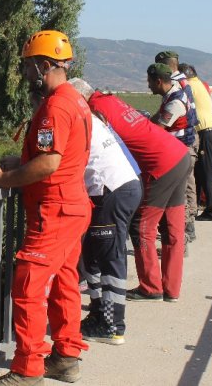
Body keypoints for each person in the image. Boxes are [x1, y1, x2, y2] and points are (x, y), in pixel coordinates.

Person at [0, 30, 92, 386]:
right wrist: (20, 160)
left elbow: (48, 164)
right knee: (64, 283)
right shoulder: (75, 100)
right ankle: (65, 357)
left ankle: (28, 370)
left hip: (53, 209)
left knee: (28, 286)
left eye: (28, 67)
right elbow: (52, 155)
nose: (26, 75)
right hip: (73, 205)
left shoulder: (55, 106)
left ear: (43, 66)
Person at [87, 89, 190, 303]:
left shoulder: (93, 109)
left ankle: (150, 287)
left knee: (142, 227)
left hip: (161, 163)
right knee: (173, 229)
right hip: (179, 154)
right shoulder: (109, 99)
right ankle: (172, 288)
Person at [68, 78, 142, 346]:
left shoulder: (80, 119)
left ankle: (112, 325)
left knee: (109, 258)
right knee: (95, 256)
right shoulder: (92, 118)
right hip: (121, 187)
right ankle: (99, 316)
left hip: (111, 191)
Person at [147, 63, 197, 253]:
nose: (148, 86)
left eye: (150, 82)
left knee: (176, 201)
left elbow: (158, 128)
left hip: (179, 155)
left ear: (159, 81)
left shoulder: (175, 102)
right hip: (179, 153)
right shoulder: (173, 94)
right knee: (176, 200)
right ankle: (176, 243)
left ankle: (179, 244)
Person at [179, 63, 212, 222]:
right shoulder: (199, 84)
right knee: (202, 172)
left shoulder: (189, 86)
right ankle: (205, 206)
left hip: (205, 133)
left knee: (207, 173)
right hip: (209, 132)